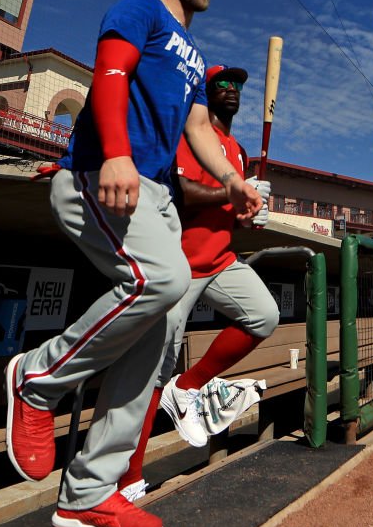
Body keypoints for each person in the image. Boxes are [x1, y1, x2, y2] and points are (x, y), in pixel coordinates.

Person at [4, 0, 261, 527]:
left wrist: (232, 178)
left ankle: (89, 492)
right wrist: (117, 154)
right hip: (102, 176)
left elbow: (198, 128)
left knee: (152, 340)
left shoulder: (194, 55)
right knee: (163, 279)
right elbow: (111, 73)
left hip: (155, 197)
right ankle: (38, 378)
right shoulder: (140, 9)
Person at [116, 64, 278, 502]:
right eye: (221, 84)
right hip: (178, 263)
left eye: (238, 86)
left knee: (264, 314)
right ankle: (128, 475)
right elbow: (181, 195)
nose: (231, 91)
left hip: (221, 259)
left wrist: (249, 212)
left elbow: (229, 218)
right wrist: (235, 192)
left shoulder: (239, 151)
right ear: (206, 93)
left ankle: (187, 387)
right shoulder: (193, 133)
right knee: (152, 367)